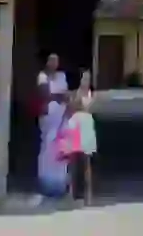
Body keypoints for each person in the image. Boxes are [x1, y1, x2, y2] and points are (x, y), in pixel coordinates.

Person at [58, 69, 97, 205]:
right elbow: (70, 109)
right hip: (74, 126)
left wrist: (77, 104)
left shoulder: (90, 94)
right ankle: (71, 193)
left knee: (87, 163)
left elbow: (89, 108)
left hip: (86, 126)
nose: (86, 81)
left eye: (88, 78)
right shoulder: (74, 93)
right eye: (84, 78)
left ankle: (88, 195)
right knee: (73, 162)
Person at [36, 53, 70, 197]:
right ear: (47, 62)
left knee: (60, 148)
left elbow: (66, 95)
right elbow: (44, 94)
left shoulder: (61, 76)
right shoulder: (42, 76)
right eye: (51, 60)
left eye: (56, 60)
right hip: (49, 117)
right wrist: (59, 96)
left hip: (61, 116)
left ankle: (60, 184)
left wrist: (59, 96)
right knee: (47, 148)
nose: (54, 63)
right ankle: (45, 184)